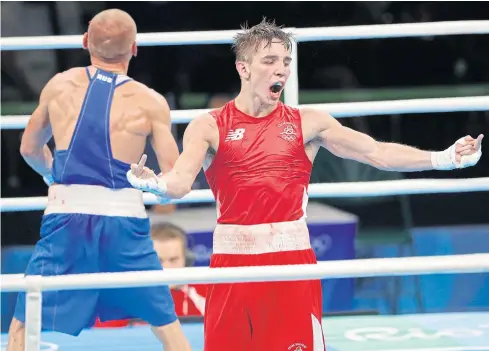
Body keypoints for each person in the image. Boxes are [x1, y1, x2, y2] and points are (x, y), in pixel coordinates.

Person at [126, 18, 484, 351]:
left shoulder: (309, 123)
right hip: (232, 263)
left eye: (285, 60)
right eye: (269, 60)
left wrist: (444, 158)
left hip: (291, 261)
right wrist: (154, 185)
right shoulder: (208, 126)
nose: (280, 68)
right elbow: (181, 183)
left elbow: (376, 153)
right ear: (244, 68)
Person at [8, 9, 191, 351]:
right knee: (168, 328)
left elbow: (30, 148)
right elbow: (175, 177)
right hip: (125, 224)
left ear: (84, 43)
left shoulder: (58, 86)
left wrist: (53, 174)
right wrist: (154, 187)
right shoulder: (150, 103)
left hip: (66, 219)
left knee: (24, 322)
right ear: (134, 49)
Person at [93, 222, 206, 328]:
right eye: (158, 260)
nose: (166, 268)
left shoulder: (205, 295)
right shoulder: (123, 299)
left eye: (173, 260)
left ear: (187, 260)